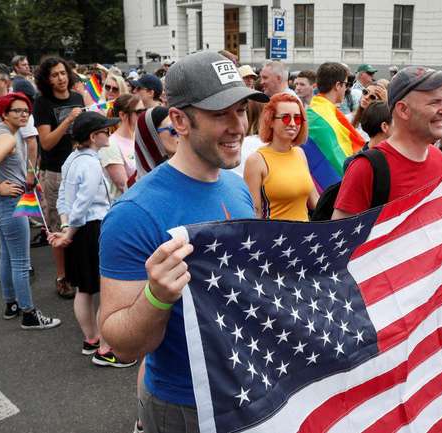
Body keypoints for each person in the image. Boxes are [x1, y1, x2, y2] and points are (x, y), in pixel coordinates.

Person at [98, 51, 267, 433]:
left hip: (248, 389)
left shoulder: (236, 186)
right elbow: (121, 343)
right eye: (220, 113)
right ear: (179, 120)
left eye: (241, 110)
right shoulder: (134, 213)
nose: (237, 126)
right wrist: (157, 295)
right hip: (184, 406)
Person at [332, 66, 442, 220]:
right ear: (403, 110)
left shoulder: (439, 159)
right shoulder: (365, 168)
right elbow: (339, 240)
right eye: (434, 102)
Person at [48, 111, 136, 365]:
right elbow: (84, 203)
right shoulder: (91, 163)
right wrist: (69, 232)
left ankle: (91, 340)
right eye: (104, 131)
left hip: (78, 228)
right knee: (107, 290)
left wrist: (66, 227)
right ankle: (106, 349)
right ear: (92, 136)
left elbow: (64, 196)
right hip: (92, 227)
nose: (108, 134)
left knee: (83, 289)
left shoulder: (72, 159)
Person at [0, 92, 61, 329]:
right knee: (21, 261)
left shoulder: (2, 133)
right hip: (8, 203)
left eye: (26, 111)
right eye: (17, 111)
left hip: (0, 204)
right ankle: (29, 314)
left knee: (7, 256)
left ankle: (11, 304)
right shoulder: (8, 139)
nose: (24, 114)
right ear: (4, 113)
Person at [34, 56, 85, 299]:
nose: (60, 78)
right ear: (46, 79)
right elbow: (46, 142)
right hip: (55, 172)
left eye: (63, 73)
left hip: (80, 169)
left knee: (82, 222)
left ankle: (81, 272)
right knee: (58, 225)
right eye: (54, 75)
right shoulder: (42, 103)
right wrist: (68, 120)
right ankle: (62, 276)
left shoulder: (77, 98)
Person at [243, 92, 317, 221]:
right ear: (270, 121)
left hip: (305, 236)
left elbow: (314, 201)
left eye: (298, 118)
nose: (293, 123)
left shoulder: (300, 153)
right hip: (274, 238)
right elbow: (254, 213)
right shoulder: (256, 161)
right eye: (286, 118)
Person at [101, 94, 143, 198]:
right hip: (125, 205)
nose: (143, 115)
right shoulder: (111, 145)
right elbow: (125, 186)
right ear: (122, 115)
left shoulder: (140, 137)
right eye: (139, 112)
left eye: (145, 111)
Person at [133, 106, 178, 179]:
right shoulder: (135, 186)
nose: (180, 133)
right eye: (173, 130)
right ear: (152, 136)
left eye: (179, 126)